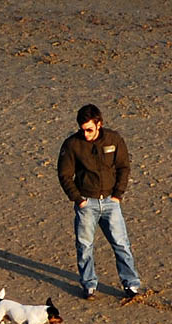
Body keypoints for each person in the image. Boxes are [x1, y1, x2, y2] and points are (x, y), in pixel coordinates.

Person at [58, 104, 141, 299]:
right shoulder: (72, 145)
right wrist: (78, 199)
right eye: (82, 129)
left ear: (99, 124)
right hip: (86, 203)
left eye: (90, 130)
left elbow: (123, 167)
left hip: (111, 202)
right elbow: (64, 174)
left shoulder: (114, 139)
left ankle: (131, 284)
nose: (86, 134)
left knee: (121, 244)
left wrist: (118, 194)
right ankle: (89, 285)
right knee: (85, 245)